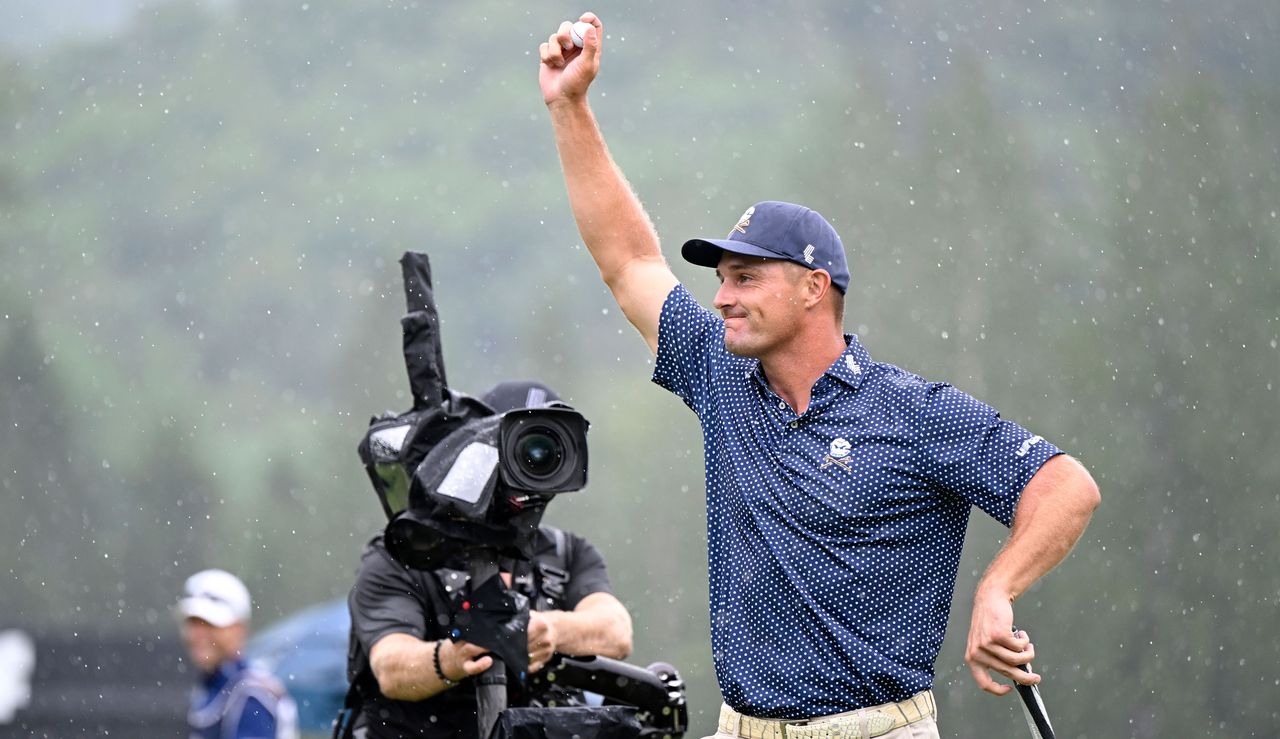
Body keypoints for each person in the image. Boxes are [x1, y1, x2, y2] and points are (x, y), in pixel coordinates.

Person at [538, 14, 1101, 738]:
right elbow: (629, 262)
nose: (721, 296)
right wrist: (569, 106)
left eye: (744, 276)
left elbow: (1066, 486)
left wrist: (997, 589)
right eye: (720, 278)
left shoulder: (911, 411)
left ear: (812, 288)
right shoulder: (719, 372)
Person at [345, 379, 634, 739]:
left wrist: (550, 631)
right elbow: (391, 668)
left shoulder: (565, 552)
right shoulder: (405, 553)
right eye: (521, 445)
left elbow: (616, 630)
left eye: (546, 447)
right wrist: (455, 659)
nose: (533, 459)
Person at [176, 568, 299, 739]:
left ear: (239, 628)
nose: (198, 635)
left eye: (210, 624)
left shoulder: (251, 694)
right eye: (193, 623)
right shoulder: (214, 685)